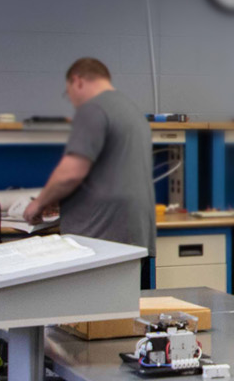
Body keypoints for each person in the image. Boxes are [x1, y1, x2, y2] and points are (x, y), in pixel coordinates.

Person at [23, 58, 155, 254]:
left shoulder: (93, 109)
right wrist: (58, 198)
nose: (73, 101)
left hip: (101, 236)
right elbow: (111, 174)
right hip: (132, 231)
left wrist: (39, 203)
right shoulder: (131, 110)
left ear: (77, 81)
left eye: (69, 93)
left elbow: (72, 173)